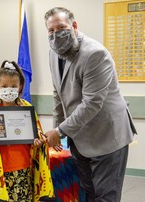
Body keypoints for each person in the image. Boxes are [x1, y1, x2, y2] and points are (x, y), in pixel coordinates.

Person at [43, 7, 137, 202]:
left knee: (105, 196)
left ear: (74, 26)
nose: (56, 34)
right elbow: (57, 94)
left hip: (107, 136)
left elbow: (92, 103)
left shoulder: (95, 54)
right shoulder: (53, 53)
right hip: (80, 137)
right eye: (51, 31)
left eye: (61, 27)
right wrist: (56, 130)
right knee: (88, 193)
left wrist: (59, 131)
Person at [0, 60, 54, 202]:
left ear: (20, 87)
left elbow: (38, 135)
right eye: (4, 86)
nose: (9, 89)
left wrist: (39, 141)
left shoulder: (27, 108)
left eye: (13, 86)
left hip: (24, 170)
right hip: (0, 172)